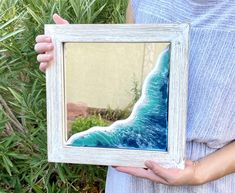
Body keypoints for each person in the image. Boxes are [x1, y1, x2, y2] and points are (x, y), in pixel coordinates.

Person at [34, 0, 235, 192]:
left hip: (211, 179)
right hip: (130, 172)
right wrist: (72, 54)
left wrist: (199, 171)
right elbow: (131, 76)